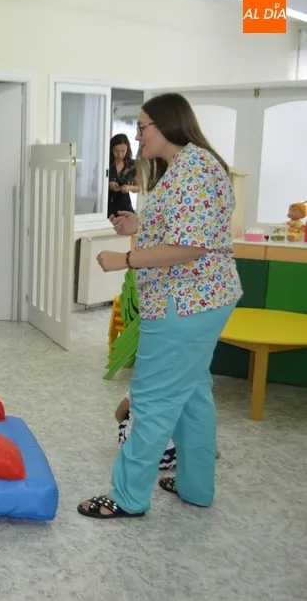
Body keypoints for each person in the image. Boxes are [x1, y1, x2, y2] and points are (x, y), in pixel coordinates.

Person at [79, 92, 242, 519]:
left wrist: (126, 258)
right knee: (192, 396)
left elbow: (190, 246)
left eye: (142, 126)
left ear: (168, 123)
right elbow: (182, 228)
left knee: (152, 399)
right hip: (197, 301)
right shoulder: (188, 166)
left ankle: (128, 496)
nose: (137, 137)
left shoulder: (194, 169)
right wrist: (140, 224)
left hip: (184, 304)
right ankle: (195, 486)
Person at [116, 395, 176, 471]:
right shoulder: (183, 392)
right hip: (167, 457)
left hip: (133, 454)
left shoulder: (137, 390)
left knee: (128, 417)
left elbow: (118, 415)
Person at [107, 133, 139, 218]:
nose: (120, 155)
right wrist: (108, 183)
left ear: (127, 149)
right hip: (105, 207)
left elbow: (138, 187)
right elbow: (94, 185)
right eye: (116, 151)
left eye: (123, 151)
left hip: (124, 208)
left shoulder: (132, 165)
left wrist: (128, 187)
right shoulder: (105, 162)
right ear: (111, 149)